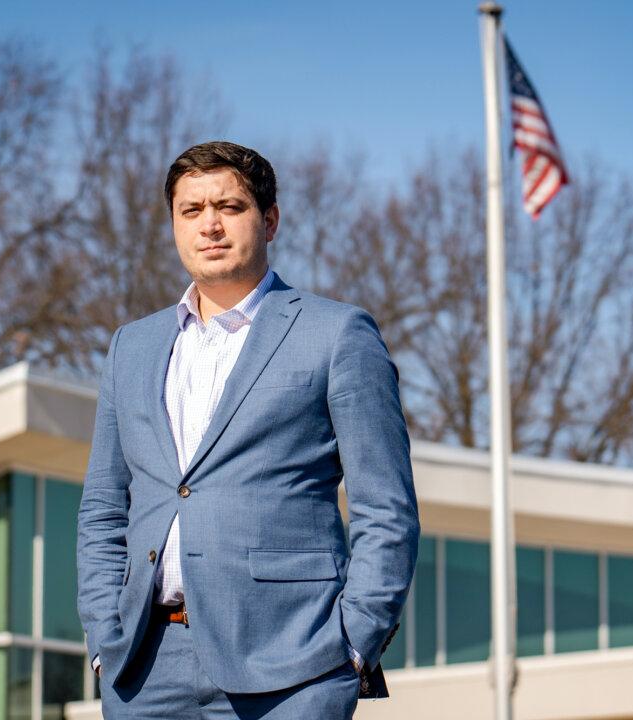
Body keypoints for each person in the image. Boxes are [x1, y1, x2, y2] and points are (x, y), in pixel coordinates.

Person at [76, 141, 419, 719]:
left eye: (230, 207)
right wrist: (103, 640)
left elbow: (385, 506)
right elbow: (105, 507)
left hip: (293, 666)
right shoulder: (130, 347)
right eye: (191, 211)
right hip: (143, 668)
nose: (209, 224)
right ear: (174, 226)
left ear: (270, 219)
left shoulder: (338, 334)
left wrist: (353, 644)